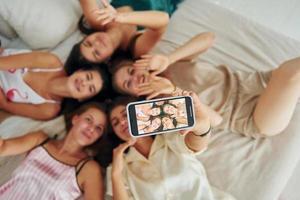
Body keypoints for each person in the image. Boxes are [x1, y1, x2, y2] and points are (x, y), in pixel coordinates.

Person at [111, 31, 300, 137]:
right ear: (134, 95)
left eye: (130, 71)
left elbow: (208, 38)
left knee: (289, 71)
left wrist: (169, 59)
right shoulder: (158, 111)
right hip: (250, 116)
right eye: (129, 83)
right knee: (291, 74)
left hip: (256, 82)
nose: (135, 77)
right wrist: (174, 91)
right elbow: (216, 120)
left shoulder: (172, 64)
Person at [106, 92, 233, 199]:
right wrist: (116, 174)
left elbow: (195, 144)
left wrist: (201, 128)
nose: (122, 122)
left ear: (140, 113)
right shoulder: (118, 167)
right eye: (115, 123)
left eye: (125, 115)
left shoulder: (169, 138)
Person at [0, 102, 107, 199]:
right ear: (75, 119)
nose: (91, 129)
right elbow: (3, 147)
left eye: (99, 128)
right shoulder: (40, 140)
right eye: (88, 120)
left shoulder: (89, 169)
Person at [0, 48, 109, 120]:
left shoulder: (48, 110)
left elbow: (5, 105)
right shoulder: (51, 62)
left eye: (90, 89)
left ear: (83, 99)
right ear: (79, 71)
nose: (84, 83)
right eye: (87, 76)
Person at [65, 0, 169, 74]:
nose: (97, 43)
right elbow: (163, 19)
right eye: (97, 52)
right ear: (106, 60)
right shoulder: (134, 48)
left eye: (88, 43)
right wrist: (119, 17)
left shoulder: (96, 20)